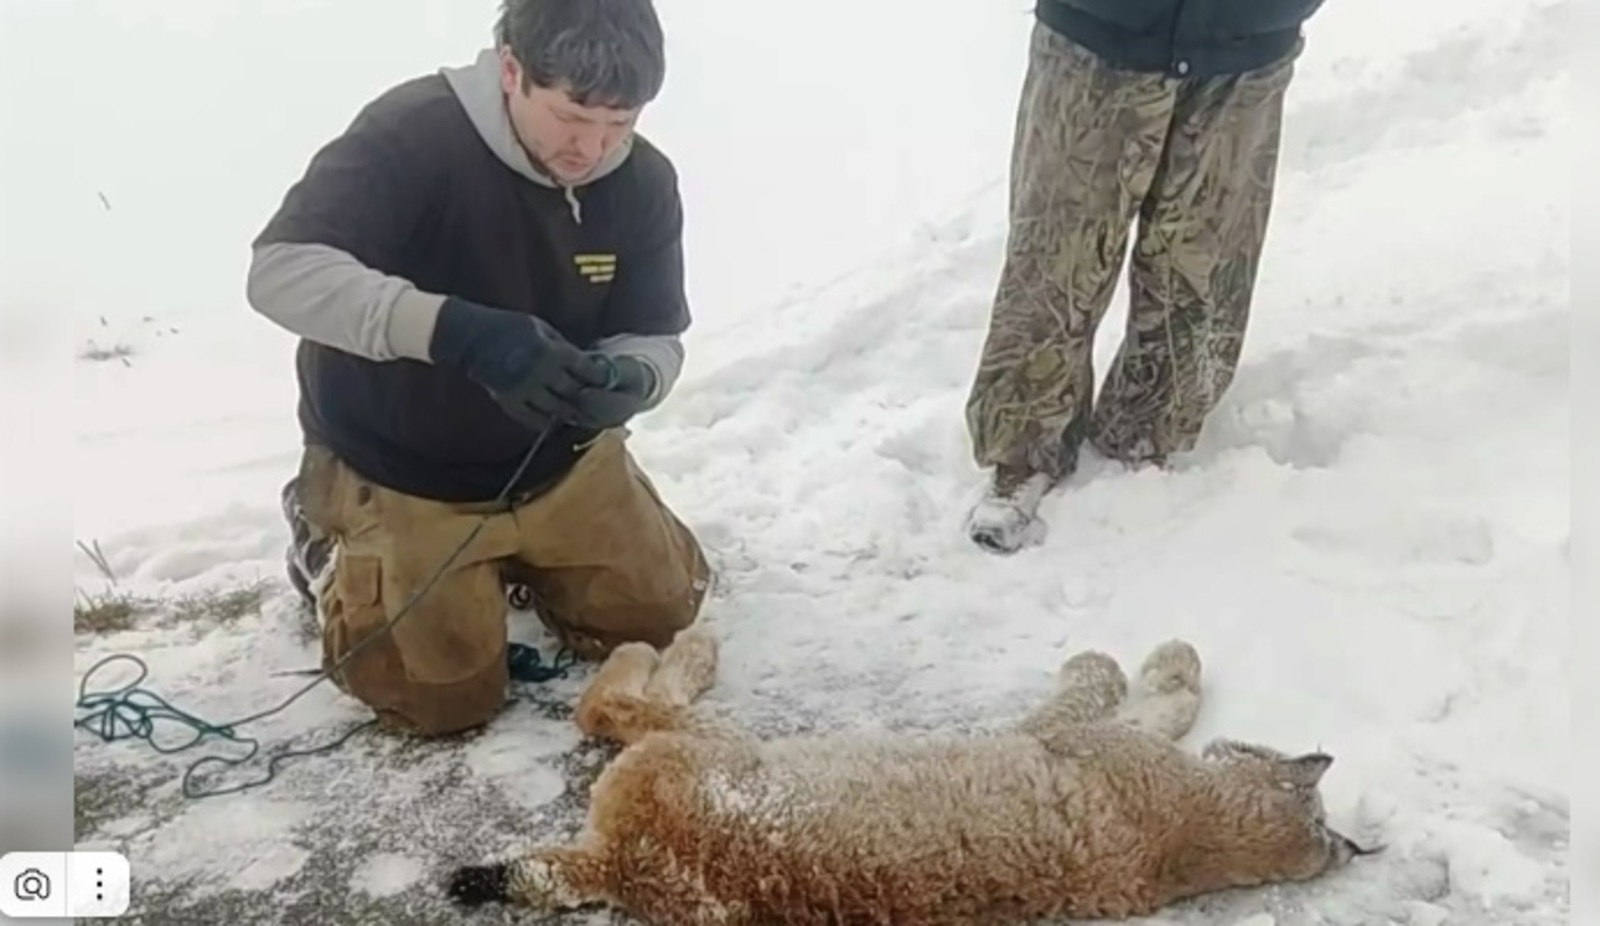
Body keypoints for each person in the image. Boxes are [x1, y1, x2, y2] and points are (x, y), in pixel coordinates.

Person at [246, 0, 711, 737]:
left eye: (620, 123)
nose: (591, 149)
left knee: (661, 622)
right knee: (438, 704)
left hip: (561, 462)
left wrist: (630, 379)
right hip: (405, 467)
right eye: (572, 116)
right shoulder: (412, 136)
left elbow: (655, 335)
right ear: (511, 71)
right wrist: (457, 332)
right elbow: (280, 272)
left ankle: (529, 560)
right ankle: (325, 536)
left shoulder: (644, 181)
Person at [963, 0, 1323, 553]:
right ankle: (1021, 451)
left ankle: (1145, 444)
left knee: (1203, 263)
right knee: (1057, 256)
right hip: (1102, 27)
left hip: (1248, 35)